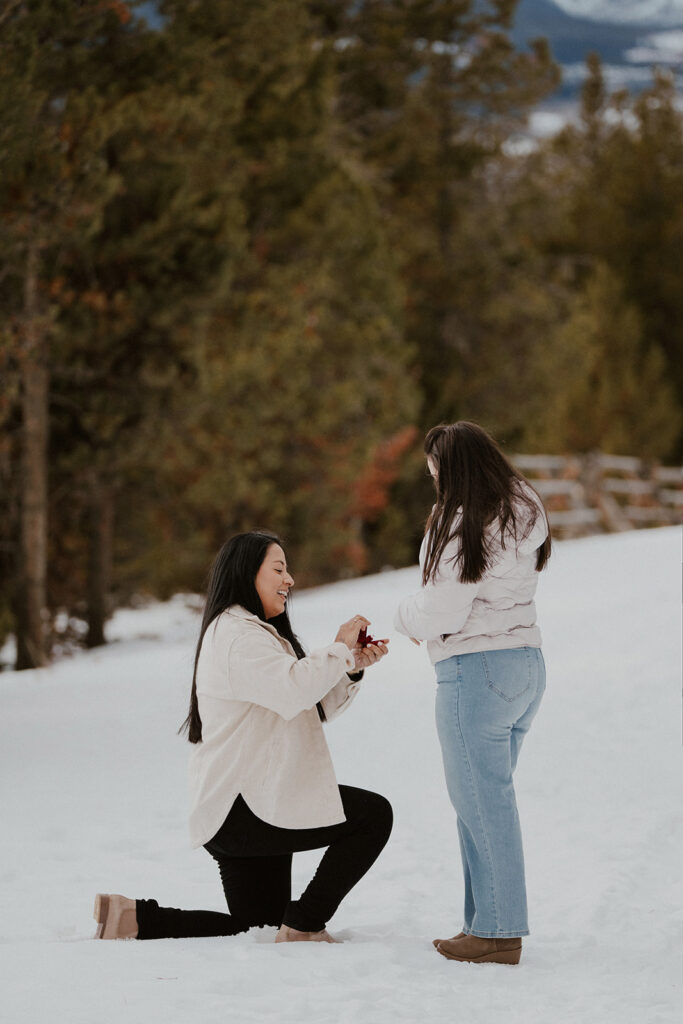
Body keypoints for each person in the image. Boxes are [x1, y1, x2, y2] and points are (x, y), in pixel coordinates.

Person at [94, 530, 392, 944]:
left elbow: (313, 705)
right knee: (372, 816)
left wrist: (352, 667)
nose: (289, 580)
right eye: (279, 569)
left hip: (243, 807)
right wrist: (338, 650)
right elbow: (294, 689)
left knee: (259, 929)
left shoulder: (255, 634)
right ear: (246, 573)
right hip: (248, 806)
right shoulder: (237, 635)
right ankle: (306, 925)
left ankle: (136, 920)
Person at [394, 422, 551, 965]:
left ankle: (499, 930)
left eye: (435, 469)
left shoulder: (464, 523)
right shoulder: (520, 511)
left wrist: (402, 615)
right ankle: (483, 922)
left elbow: (443, 607)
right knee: (482, 802)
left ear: (452, 468)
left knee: (484, 804)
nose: (433, 479)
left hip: (476, 671)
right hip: (525, 667)